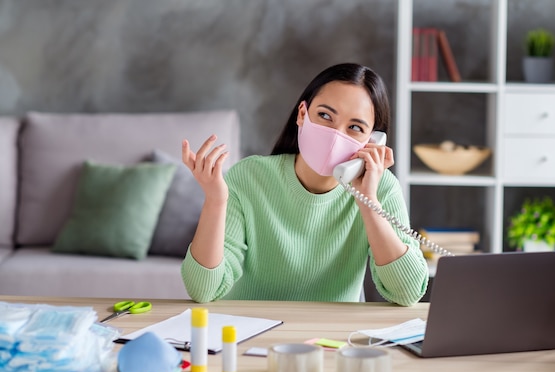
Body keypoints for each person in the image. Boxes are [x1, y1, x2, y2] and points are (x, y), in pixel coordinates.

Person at [181, 62, 429, 306]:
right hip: (247, 333)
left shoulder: (381, 188)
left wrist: (369, 202)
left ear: (373, 140)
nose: (336, 135)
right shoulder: (248, 176)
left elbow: (406, 293)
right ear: (302, 114)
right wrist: (215, 201)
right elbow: (203, 290)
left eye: (355, 127)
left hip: (331, 340)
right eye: (325, 116)